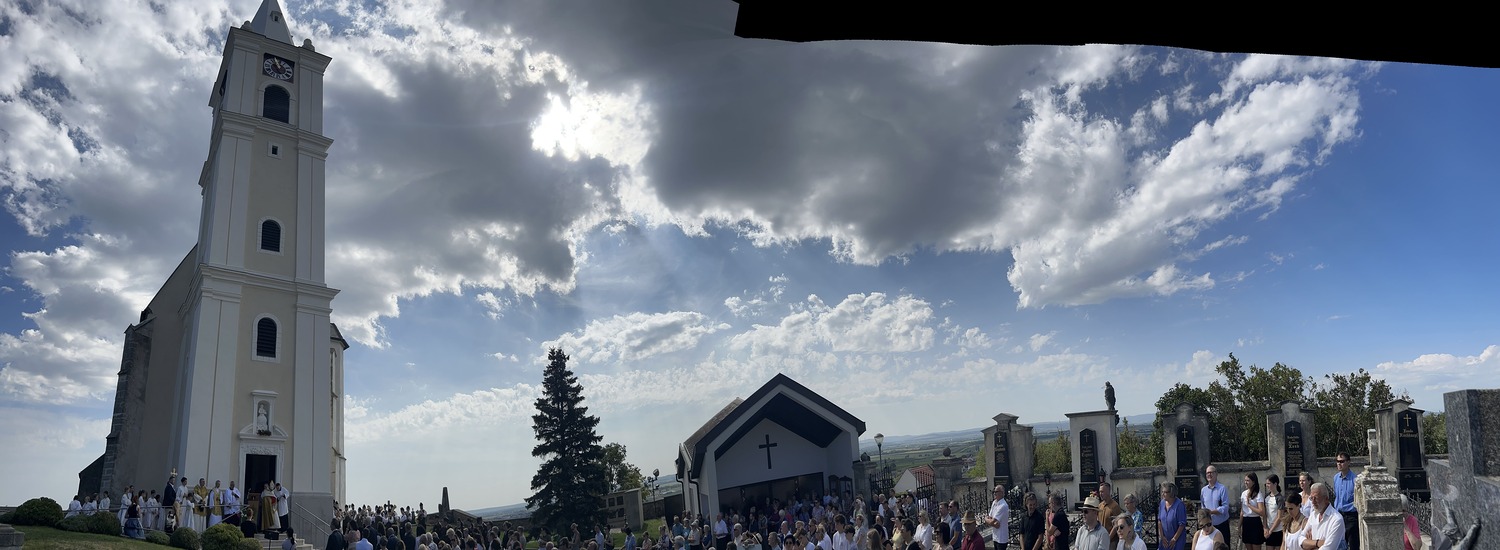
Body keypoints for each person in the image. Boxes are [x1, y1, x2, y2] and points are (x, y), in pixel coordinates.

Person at [1299, 482, 1344, 550]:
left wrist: (1309, 544)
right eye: (1311, 498)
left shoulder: (1336, 519)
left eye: (1316, 498)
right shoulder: (1313, 515)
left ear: (1326, 499)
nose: (1313, 502)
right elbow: (1300, 540)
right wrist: (1317, 543)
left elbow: (1328, 548)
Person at [1332, 453, 1358, 550]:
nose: (1339, 464)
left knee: (1353, 545)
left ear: (1348, 462)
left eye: (1342, 461)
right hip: (1338, 515)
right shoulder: (1336, 478)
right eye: (1337, 461)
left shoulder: (1355, 480)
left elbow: (1357, 500)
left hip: (1351, 517)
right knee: (1339, 545)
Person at [1200, 465, 1230, 545]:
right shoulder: (1203, 490)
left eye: (1211, 472)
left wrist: (1212, 512)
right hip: (1209, 526)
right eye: (1207, 473)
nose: (1209, 474)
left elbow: (1225, 507)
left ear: (1216, 474)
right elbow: (1203, 506)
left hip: (1221, 525)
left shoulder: (1222, 489)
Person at [1157, 482, 1187, 550]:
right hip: (1164, 540)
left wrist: (1174, 539)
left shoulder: (1179, 505)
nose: (1162, 494)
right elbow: (1159, 520)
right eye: (1162, 492)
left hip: (1177, 539)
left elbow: (1182, 525)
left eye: (1165, 492)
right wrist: (1162, 536)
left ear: (1171, 493)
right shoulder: (1162, 503)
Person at [1242, 472, 1265, 550]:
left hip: (1255, 522)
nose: (1246, 482)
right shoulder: (1243, 494)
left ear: (1253, 481)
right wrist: (1239, 524)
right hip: (1246, 521)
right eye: (1245, 480)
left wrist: (1249, 505)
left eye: (1248, 480)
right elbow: (1242, 510)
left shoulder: (1258, 494)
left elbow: (1261, 512)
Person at [985, 484, 1009, 550]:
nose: (994, 493)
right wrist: (987, 519)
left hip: (1001, 538)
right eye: (994, 492)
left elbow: (992, 521)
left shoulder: (1003, 506)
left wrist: (989, 521)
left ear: (1002, 493)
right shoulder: (994, 503)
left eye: (996, 492)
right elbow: (990, 518)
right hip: (995, 536)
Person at [1263, 475, 1283, 550]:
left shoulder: (1279, 498)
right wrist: (1265, 528)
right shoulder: (1266, 497)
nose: (1267, 485)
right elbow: (1264, 514)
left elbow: (1279, 517)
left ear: (1275, 484)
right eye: (1266, 484)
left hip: (1278, 530)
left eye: (1269, 483)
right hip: (1268, 529)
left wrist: (1271, 531)